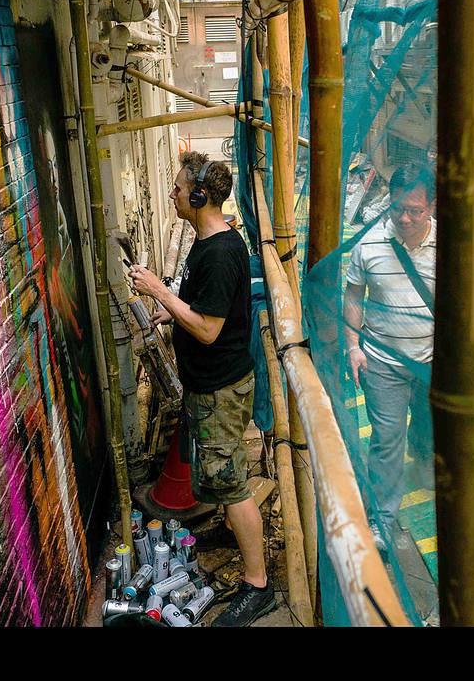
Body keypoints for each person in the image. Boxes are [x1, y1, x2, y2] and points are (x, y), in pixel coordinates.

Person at [128, 151, 273, 627]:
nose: (171, 194)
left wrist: (159, 292)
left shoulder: (219, 252)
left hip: (220, 390)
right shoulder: (204, 242)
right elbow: (196, 303)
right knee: (217, 473)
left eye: (176, 188)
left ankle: (258, 585)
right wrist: (168, 298)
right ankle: (233, 533)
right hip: (207, 386)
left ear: (198, 195)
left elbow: (209, 329)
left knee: (231, 484)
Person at [344, 161, 438, 553]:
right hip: (383, 361)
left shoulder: (452, 246)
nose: (405, 218)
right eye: (397, 207)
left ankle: (424, 453)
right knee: (386, 440)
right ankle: (381, 519)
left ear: (432, 206)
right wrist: (353, 345)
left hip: (434, 361)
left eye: (415, 210)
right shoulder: (369, 245)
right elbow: (353, 295)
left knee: (433, 430)